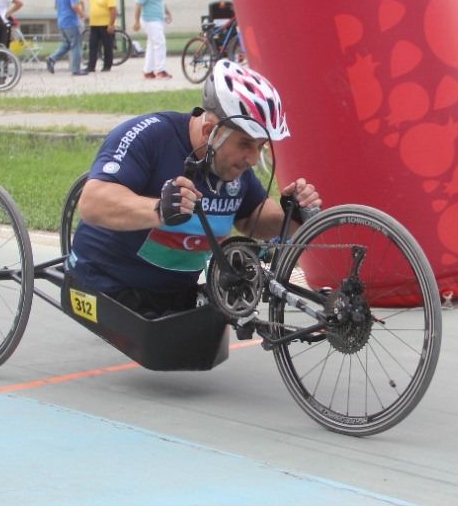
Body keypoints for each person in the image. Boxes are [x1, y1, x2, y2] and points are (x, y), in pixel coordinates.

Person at [70, 59, 321, 318]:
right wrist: (160, 209)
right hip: (107, 284)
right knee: (176, 344)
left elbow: (250, 218)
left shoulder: (230, 163)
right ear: (210, 131)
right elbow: (92, 202)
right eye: (245, 144)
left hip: (177, 295)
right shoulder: (149, 136)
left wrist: (292, 217)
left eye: (260, 146)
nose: (254, 159)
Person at [132, 0, 173, 79]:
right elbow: (138, 5)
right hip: (149, 20)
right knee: (160, 43)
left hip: (159, 19)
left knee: (151, 45)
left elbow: (161, 2)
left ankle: (148, 71)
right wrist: (136, 21)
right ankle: (160, 70)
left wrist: (168, 13)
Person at [47, 0, 87, 76]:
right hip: (71, 21)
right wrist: (82, 14)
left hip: (61, 21)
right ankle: (76, 69)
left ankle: (52, 58)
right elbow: (74, 6)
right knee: (76, 45)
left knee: (67, 44)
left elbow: (56, 6)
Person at [83, 0, 118, 72]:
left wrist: (111, 24)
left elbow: (113, 10)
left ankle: (107, 66)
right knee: (93, 45)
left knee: (107, 46)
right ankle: (91, 66)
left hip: (105, 25)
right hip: (94, 25)